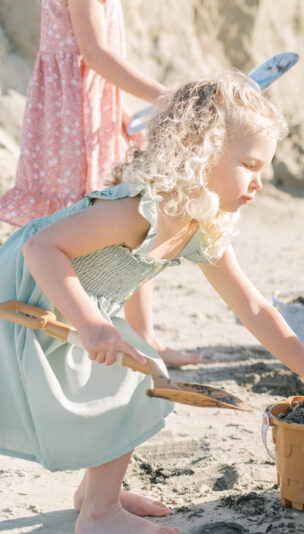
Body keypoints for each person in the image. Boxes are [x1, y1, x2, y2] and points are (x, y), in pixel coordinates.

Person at [0, 74, 304, 534]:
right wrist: (89, 325)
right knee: (132, 376)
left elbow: (250, 305)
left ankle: (94, 494)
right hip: (35, 287)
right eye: (248, 164)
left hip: (78, 298)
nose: (259, 182)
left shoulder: (201, 225)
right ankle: (99, 515)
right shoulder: (139, 209)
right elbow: (42, 247)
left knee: (136, 373)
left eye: (263, 168)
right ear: (199, 151)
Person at [0, 0, 200, 367]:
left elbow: (91, 61)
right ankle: (55, 331)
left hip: (91, 110)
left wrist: (120, 114)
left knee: (131, 213)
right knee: (89, 221)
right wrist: (168, 98)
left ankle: (144, 335)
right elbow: (94, 53)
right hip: (73, 121)